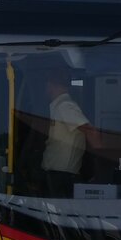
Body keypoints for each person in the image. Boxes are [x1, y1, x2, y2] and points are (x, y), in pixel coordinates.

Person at [41, 68, 99, 197]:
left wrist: (100, 162)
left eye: (46, 83)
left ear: (51, 84)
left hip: (62, 176)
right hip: (57, 174)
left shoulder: (65, 106)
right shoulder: (58, 106)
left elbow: (91, 132)